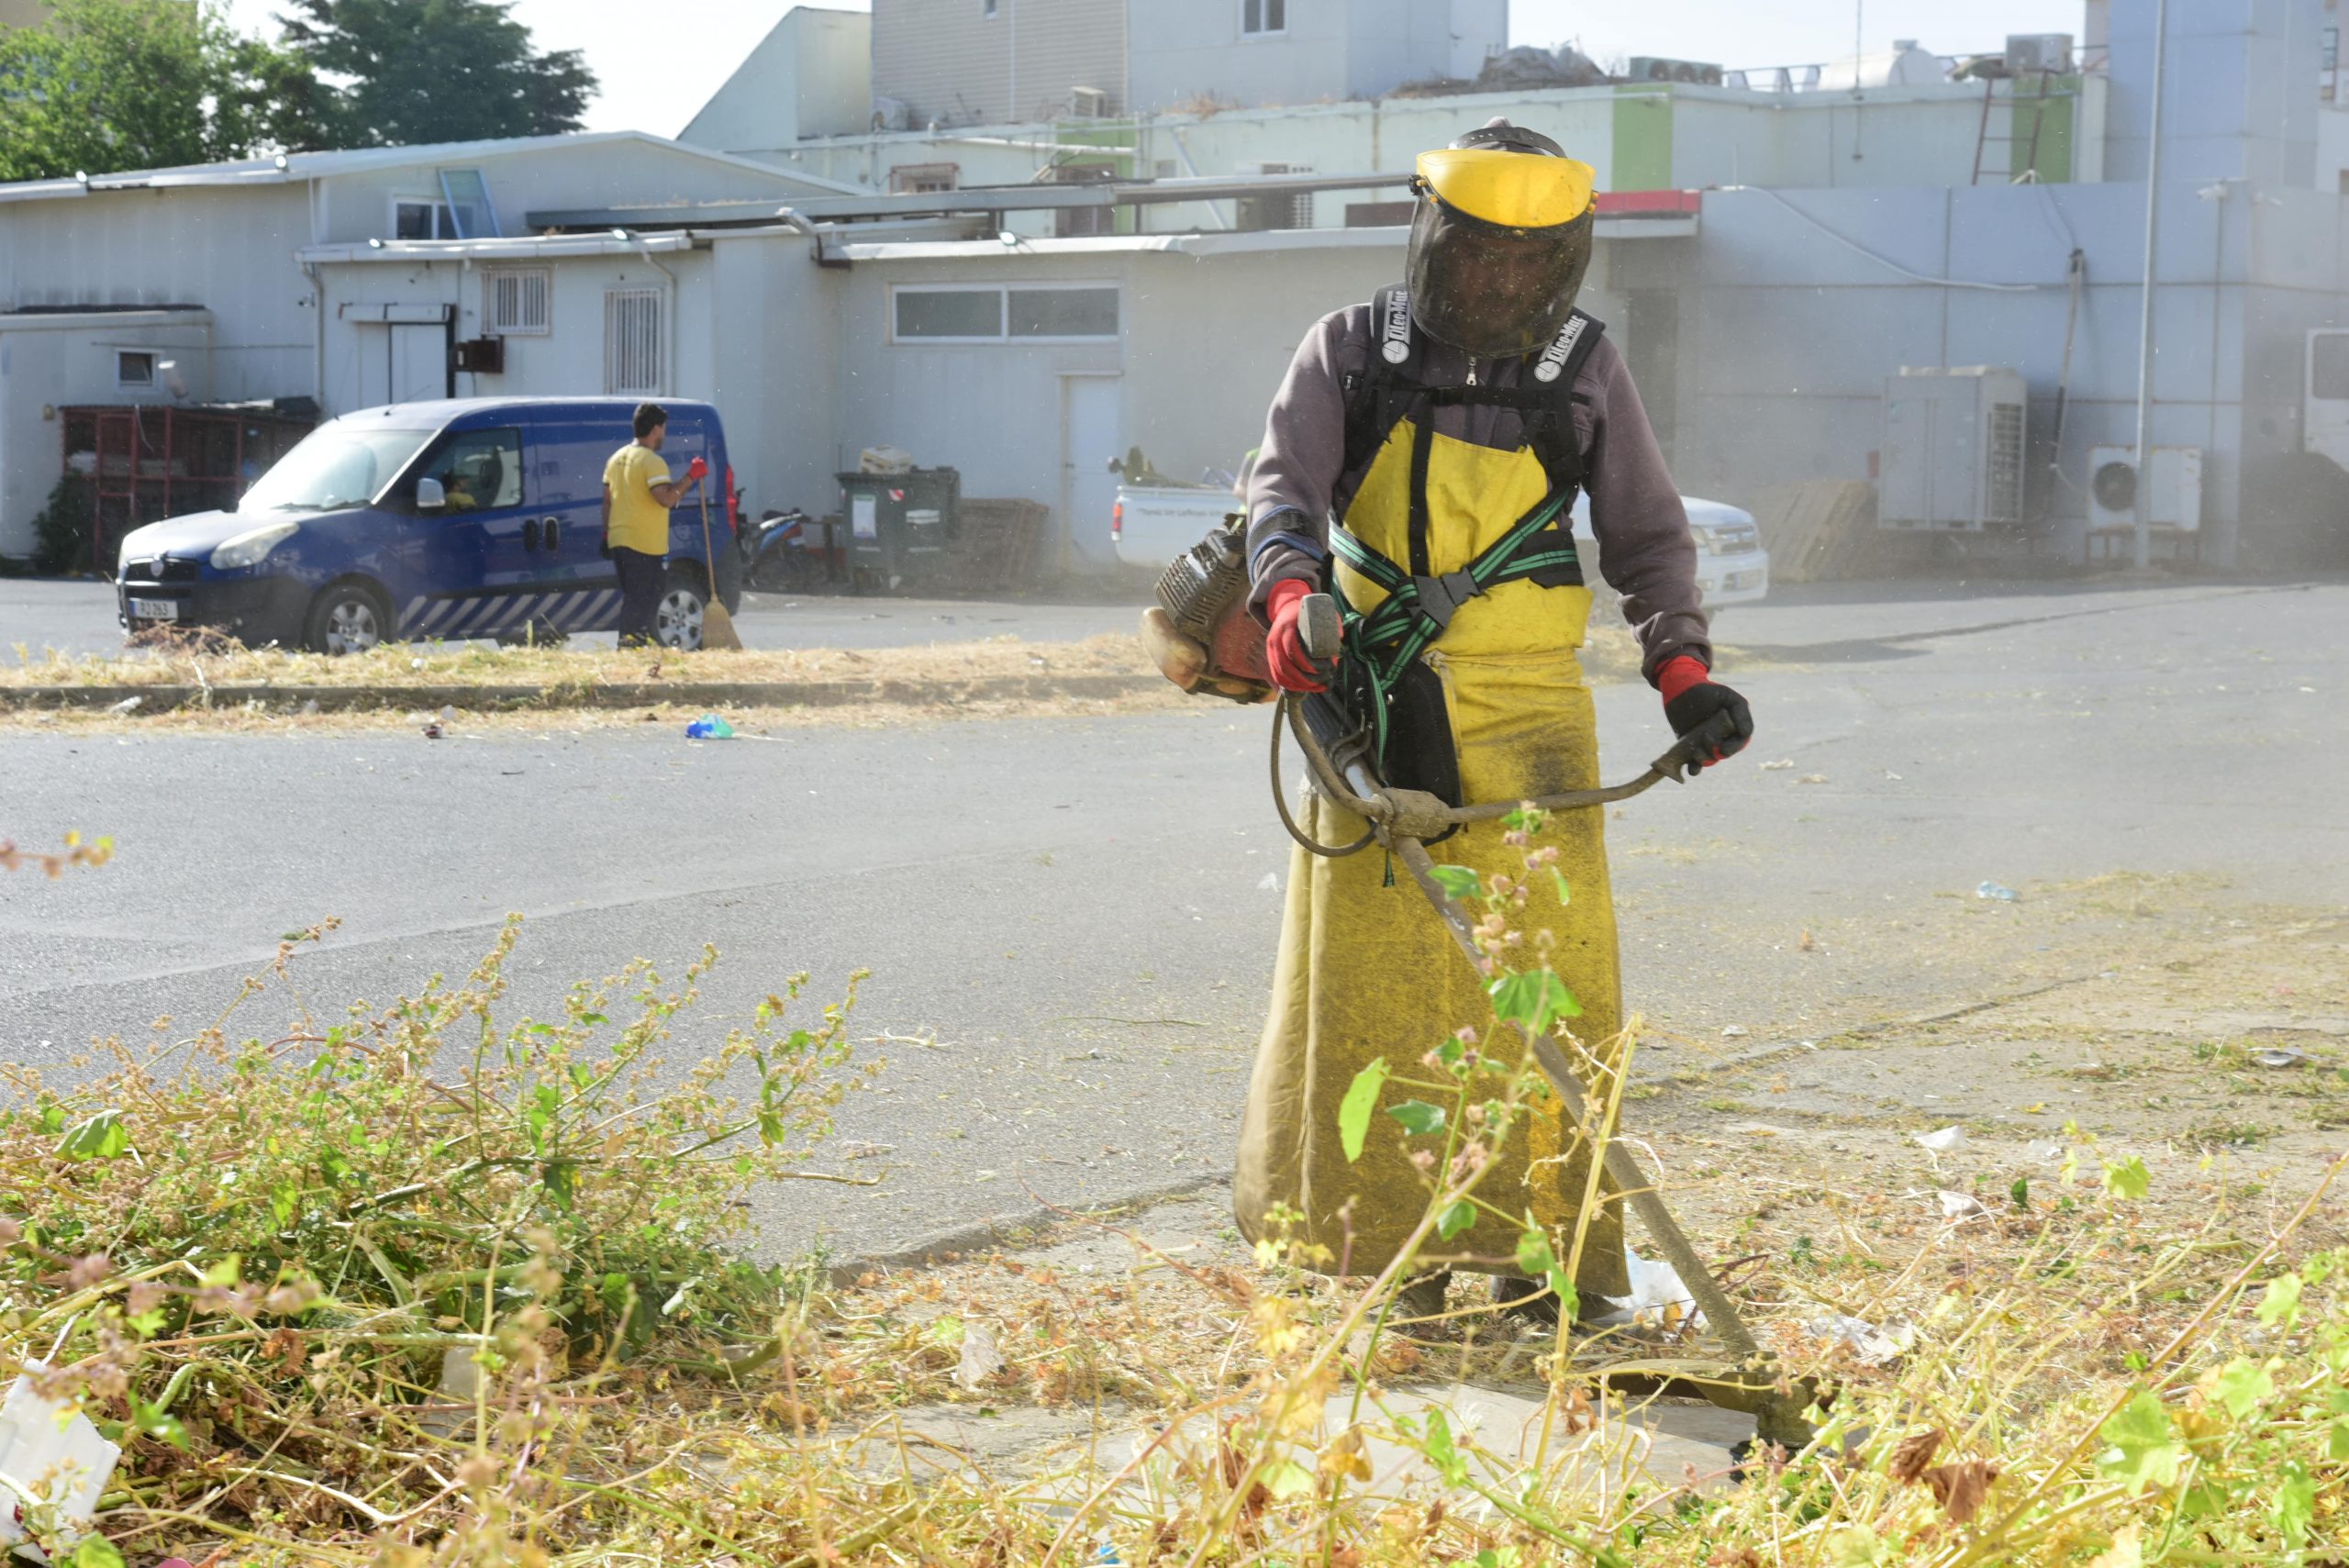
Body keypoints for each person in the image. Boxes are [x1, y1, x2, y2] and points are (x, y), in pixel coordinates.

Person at [1232, 118, 1755, 1326]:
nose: (1503, 281)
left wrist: (1681, 670)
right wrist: (1292, 594)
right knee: (1377, 990)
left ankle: (1547, 1262)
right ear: (1433, 236)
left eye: (1531, 262)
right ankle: (1383, 1252)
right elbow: (1282, 491)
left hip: (1535, 720)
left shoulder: (1584, 369)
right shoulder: (1350, 352)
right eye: (1479, 256)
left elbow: (1647, 536)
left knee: (1548, 989)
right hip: (1371, 698)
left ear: (1564, 260)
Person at [602, 404, 707, 648]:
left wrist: (606, 533)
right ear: (656, 428)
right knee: (643, 597)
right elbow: (667, 498)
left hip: (619, 539)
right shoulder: (652, 462)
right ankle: (629, 645)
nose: (664, 435)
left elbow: (607, 501)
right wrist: (692, 476)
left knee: (641, 594)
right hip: (642, 542)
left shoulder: (616, 458)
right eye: (664, 429)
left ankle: (634, 642)